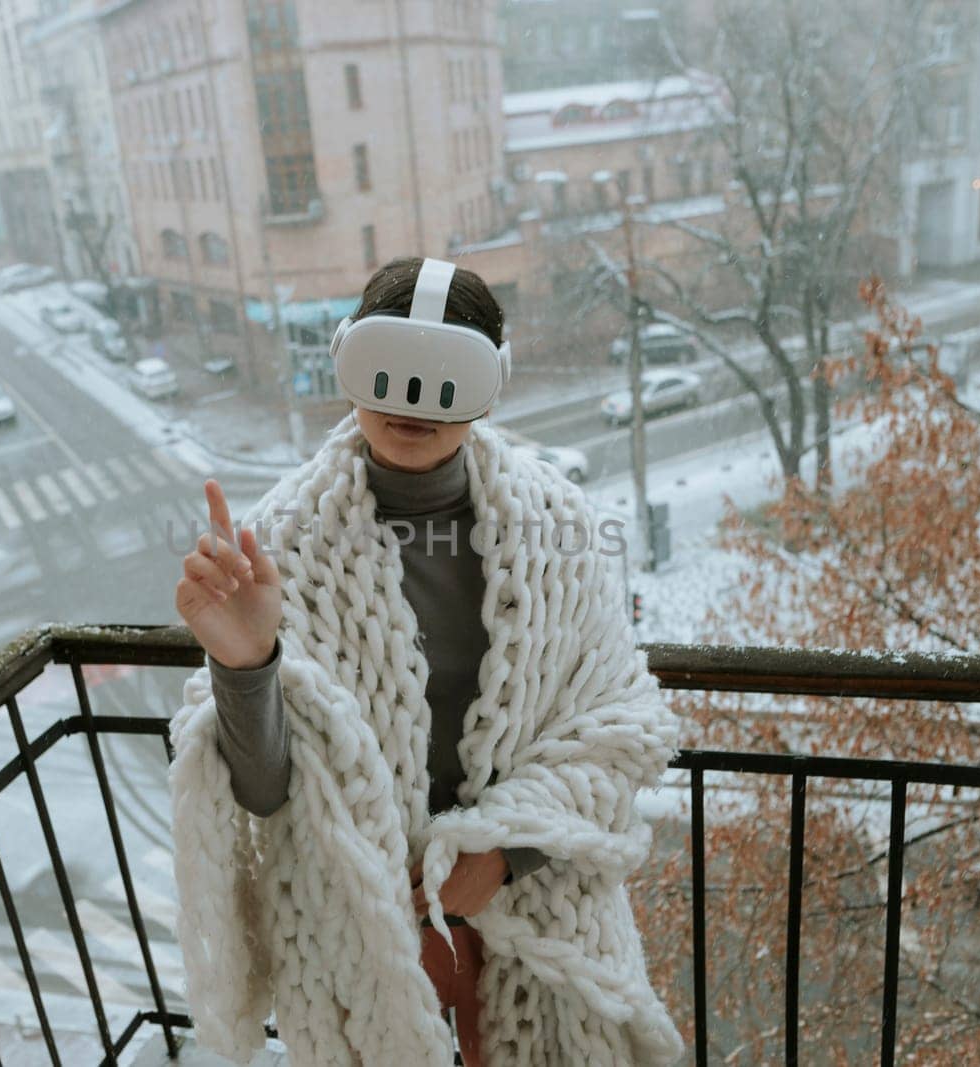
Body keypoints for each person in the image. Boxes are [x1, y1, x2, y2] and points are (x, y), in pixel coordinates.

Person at [168, 258, 684, 1066]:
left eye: (448, 374)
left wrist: (503, 854)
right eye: (388, 368)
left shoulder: (561, 532)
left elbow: (616, 727)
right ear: (348, 361)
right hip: (363, 921)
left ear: (493, 383)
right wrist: (247, 663)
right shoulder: (278, 547)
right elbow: (266, 791)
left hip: (533, 904)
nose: (412, 401)